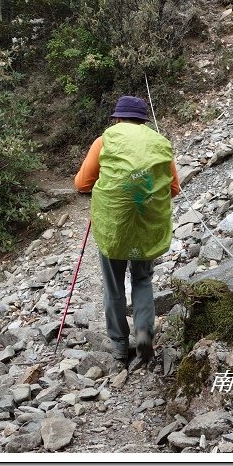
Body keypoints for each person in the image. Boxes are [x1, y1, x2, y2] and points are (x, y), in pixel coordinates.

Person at [74, 96, 180, 363]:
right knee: (142, 279)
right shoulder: (159, 143)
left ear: (117, 119)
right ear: (144, 120)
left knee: (114, 285)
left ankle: (120, 344)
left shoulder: (105, 141)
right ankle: (144, 332)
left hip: (113, 225)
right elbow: (174, 189)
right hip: (146, 225)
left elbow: (82, 184)